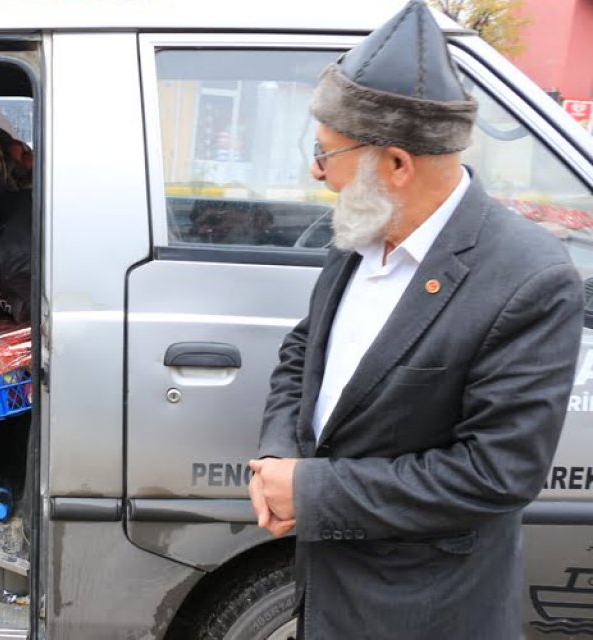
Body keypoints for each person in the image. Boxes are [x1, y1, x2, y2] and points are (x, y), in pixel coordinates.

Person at [246, 2, 585, 638]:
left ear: (397, 165)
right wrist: (278, 458)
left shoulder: (529, 279)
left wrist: (315, 493)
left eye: (326, 155)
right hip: (330, 593)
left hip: (425, 609)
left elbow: (495, 474)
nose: (316, 173)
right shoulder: (362, 229)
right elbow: (303, 353)